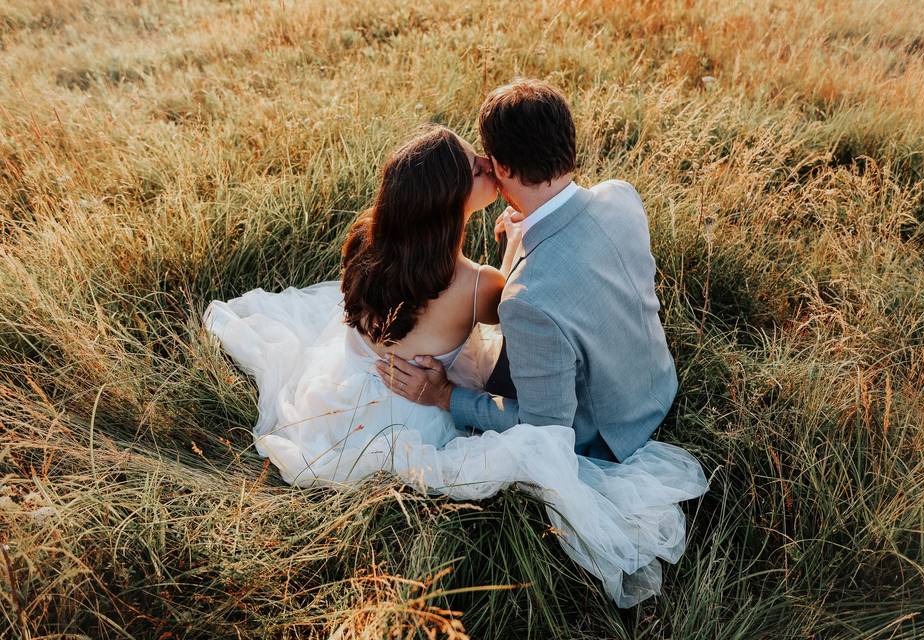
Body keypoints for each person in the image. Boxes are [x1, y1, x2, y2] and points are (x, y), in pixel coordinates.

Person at [203, 120, 707, 609]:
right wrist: (516, 239)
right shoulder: (474, 286)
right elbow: (515, 302)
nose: (486, 166)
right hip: (415, 408)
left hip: (344, 386)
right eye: (474, 169)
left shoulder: (367, 241)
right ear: (450, 204)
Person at [378, 79, 679, 464]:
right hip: (657, 383)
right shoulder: (621, 196)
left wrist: (443, 395)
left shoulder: (527, 301)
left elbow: (544, 429)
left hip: (608, 434)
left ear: (502, 166)